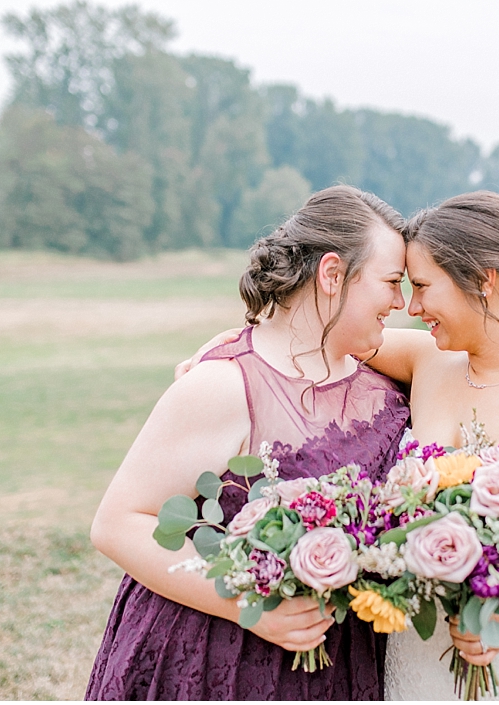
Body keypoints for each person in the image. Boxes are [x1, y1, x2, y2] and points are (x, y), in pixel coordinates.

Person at [180, 190, 499, 701]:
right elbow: (309, 333)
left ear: (483, 281)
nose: (410, 307)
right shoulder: (428, 362)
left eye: (423, 287)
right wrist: (228, 347)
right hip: (419, 663)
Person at [85, 186, 412, 700]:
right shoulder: (221, 385)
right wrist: (245, 604)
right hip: (222, 656)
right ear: (331, 275)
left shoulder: (387, 380)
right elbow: (117, 524)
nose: (401, 301)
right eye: (391, 282)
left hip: (347, 661)